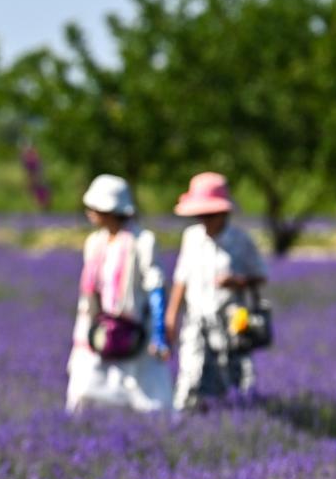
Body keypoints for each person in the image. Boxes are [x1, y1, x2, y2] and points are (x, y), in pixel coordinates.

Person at [66, 174, 173, 414]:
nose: (89, 212)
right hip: (99, 327)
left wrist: (159, 332)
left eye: (94, 207)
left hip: (134, 328)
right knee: (85, 385)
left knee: (146, 392)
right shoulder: (95, 242)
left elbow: (155, 285)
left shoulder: (142, 241)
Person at [165, 172, 267, 411]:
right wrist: (171, 316)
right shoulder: (191, 237)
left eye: (210, 215)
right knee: (190, 374)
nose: (205, 220)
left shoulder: (241, 241)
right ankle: (185, 419)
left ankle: (232, 416)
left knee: (230, 376)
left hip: (232, 322)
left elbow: (260, 276)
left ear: (224, 213)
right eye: (200, 215)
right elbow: (181, 278)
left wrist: (238, 282)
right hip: (196, 320)